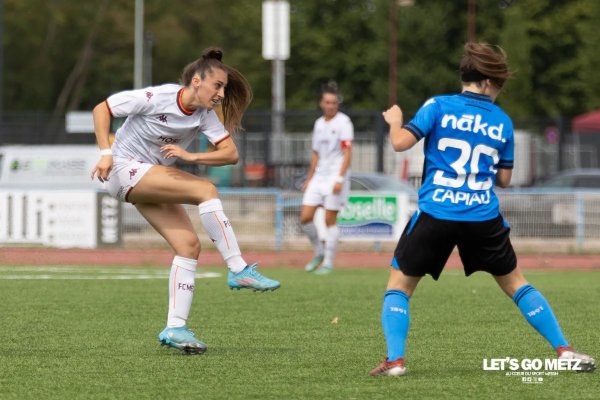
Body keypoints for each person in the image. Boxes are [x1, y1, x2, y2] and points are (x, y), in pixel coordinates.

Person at [370, 42, 596, 376]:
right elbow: (504, 179)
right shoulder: (501, 121)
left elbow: (400, 143)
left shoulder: (438, 105)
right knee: (517, 284)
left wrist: (395, 121)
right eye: (500, 84)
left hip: (437, 212)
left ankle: (395, 361)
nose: (500, 91)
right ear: (488, 81)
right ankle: (564, 350)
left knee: (399, 286)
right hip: (481, 216)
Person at [91, 47, 280, 355]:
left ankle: (175, 327)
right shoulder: (158, 97)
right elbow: (103, 108)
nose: (220, 94)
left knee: (189, 247)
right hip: (122, 169)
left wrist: (192, 155)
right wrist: (105, 153)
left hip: (147, 178)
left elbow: (231, 154)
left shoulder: (204, 117)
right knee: (205, 190)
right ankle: (238, 269)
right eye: (217, 86)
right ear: (196, 81)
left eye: (224, 89)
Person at [300, 83, 353, 275]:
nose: (331, 105)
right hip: (319, 177)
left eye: (334, 102)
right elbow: (315, 153)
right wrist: (309, 178)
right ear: (321, 103)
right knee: (305, 218)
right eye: (327, 102)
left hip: (334, 177)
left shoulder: (344, 122)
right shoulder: (319, 123)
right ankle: (319, 252)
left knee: (330, 219)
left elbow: (348, 152)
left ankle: (329, 263)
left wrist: (340, 178)